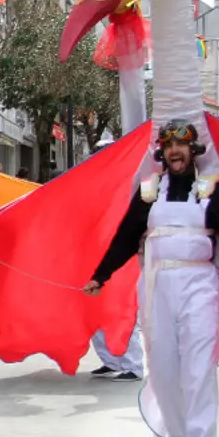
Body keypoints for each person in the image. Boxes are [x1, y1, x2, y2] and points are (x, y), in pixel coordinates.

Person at [85, 120, 219, 437]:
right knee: (163, 366)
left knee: (199, 364)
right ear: (162, 151)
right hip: (156, 285)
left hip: (198, 282)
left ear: (194, 150)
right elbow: (126, 237)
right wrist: (100, 275)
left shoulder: (214, 192)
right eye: (169, 145)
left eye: (182, 146)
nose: (175, 151)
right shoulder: (148, 192)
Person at [86, 131, 144, 381]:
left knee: (123, 310)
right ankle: (109, 360)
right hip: (94, 259)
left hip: (122, 260)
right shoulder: (89, 187)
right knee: (93, 309)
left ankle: (133, 364)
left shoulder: (131, 187)